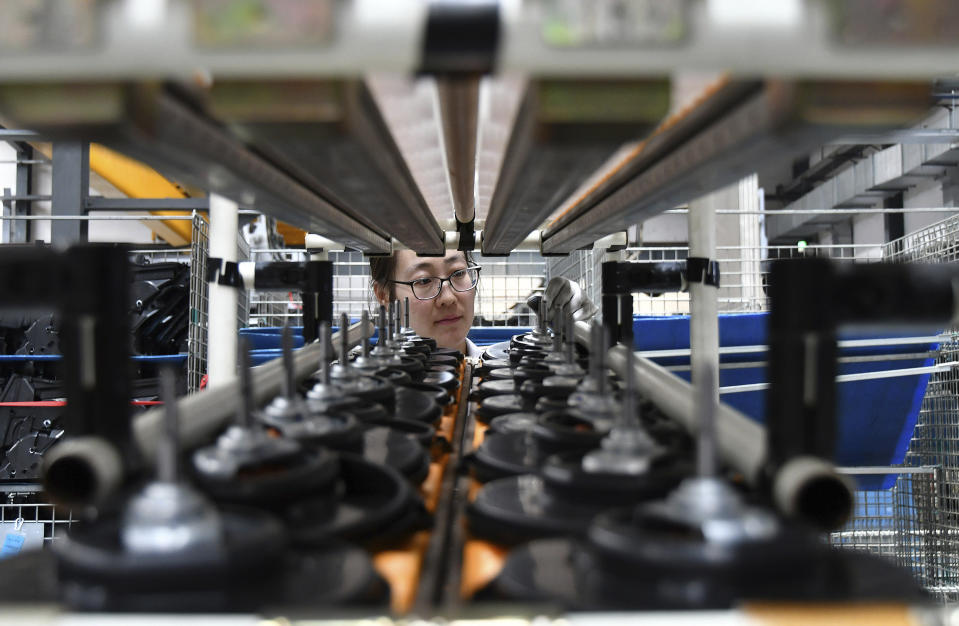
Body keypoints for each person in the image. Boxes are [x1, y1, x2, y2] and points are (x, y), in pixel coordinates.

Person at [370, 249, 596, 359]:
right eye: (424, 280)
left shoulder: (510, 371)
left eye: (458, 273)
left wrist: (586, 346)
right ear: (383, 296)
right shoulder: (357, 389)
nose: (448, 298)